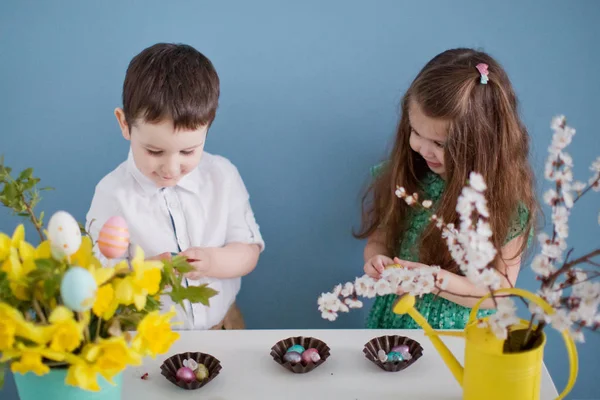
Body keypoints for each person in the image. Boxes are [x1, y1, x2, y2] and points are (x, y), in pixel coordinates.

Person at [355, 48, 537, 329]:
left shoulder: (506, 207)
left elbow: (499, 291)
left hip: (462, 332)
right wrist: (377, 260)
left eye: (440, 144)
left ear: (482, 146)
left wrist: (436, 281)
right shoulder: (407, 178)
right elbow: (379, 239)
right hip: (397, 320)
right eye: (415, 132)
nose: (423, 149)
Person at [86, 43, 264, 330]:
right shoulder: (112, 194)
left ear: (208, 126)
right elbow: (101, 277)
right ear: (124, 124)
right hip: (146, 337)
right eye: (154, 152)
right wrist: (146, 273)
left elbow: (248, 250)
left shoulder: (223, 176)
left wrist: (212, 261)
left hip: (222, 326)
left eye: (188, 152)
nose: (170, 169)